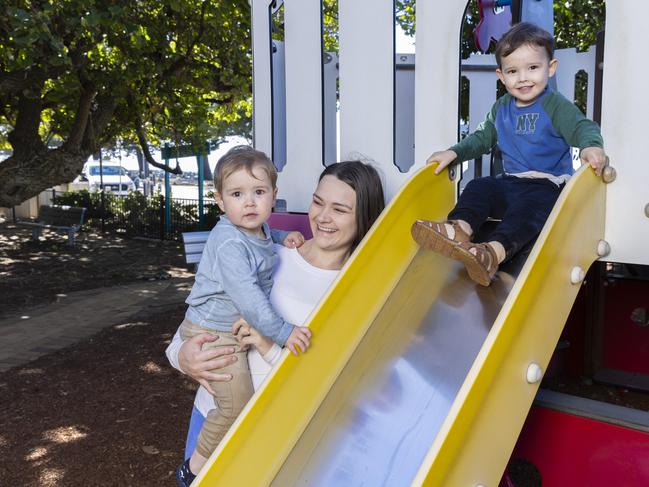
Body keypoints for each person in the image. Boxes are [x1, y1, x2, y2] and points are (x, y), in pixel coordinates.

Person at [166, 160, 385, 486]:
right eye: (317, 202)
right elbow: (197, 323)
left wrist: (268, 344)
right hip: (213, 413)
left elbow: (329, 381)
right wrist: (182, 357)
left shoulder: (356, 290)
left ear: (363, 216)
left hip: (280, 433)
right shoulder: (269, 252)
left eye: (339, 209)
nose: (322, 217)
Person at [411, 22, 607, 286]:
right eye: (513, 71)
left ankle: (493, 252)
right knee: (480, 187)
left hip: (547, 186)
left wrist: (590, 145)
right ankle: (459, 229)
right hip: (511, 182)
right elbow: (482, 138)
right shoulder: (501, 108)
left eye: (533, 68)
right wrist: (454, 153)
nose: (523, 77)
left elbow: (582, 127)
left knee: (527, 212)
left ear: (550, 68)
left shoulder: (554, 105)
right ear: (501, 76)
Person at [173, 145, 311, 485]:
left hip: (226, 328)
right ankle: (194, 470)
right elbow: (250, 299)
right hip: (213, 333)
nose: (249, 202)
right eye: (237, 194)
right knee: (236, 405)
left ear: (273, 196)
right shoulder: (228, 244)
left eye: (258, 192)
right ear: (220, 201)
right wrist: (284, 332)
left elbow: (263, 241)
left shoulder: (258, 231)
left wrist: (283, 236)